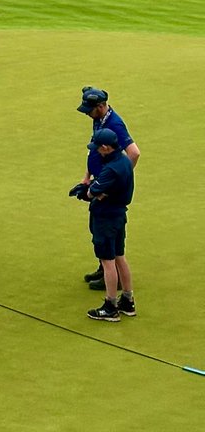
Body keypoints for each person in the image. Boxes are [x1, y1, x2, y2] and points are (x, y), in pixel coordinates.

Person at [73, 86, 139, 290]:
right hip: (100, 183)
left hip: (107, 192)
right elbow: (94, 149)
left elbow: (134, 153)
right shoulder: (99, 119)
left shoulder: (114, 124)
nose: (87, 114)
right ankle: (104, 268)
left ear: (101, 106)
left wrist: (115, 180)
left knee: (106, 235)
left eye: (90, 110)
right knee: (98, 232)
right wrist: (87, 177)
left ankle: (110, 275)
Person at [72, 128, 136, 321]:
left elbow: (91, 193)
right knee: (119, 257)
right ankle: (128, 300)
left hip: (106, 217)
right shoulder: (124, 161)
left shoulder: (110, 169)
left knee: (107, 262)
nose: (97, 151)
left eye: (98, 148)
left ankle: (111, 306)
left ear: (106, 147)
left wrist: (86, 191)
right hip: (119, 215)